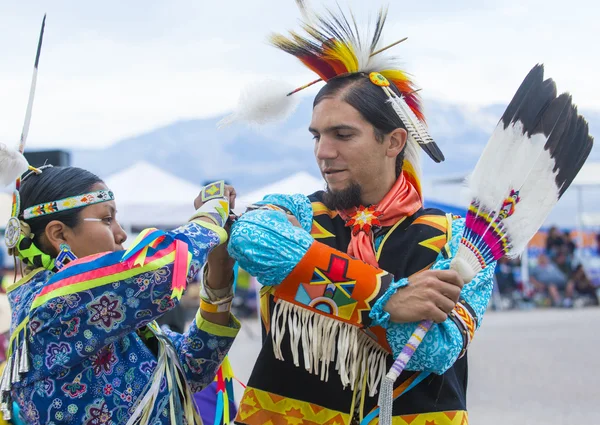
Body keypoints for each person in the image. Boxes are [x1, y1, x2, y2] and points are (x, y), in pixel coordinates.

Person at [225, 4, 495, 424]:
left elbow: (439, 348)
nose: (322, 151)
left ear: (393, 142)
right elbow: (249, 237)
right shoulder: (297, 212)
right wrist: (384, 298)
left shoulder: (457, 238)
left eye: (342, 135)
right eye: (317, 135)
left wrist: (338, 288)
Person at [0, 166, 240, 424]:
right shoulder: (53, 304)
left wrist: (220, 269)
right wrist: (210, 213)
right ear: (59, 235)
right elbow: (162, 269)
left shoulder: (99, 311)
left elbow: (192, 367)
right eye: (106, 219)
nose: (121, 234)